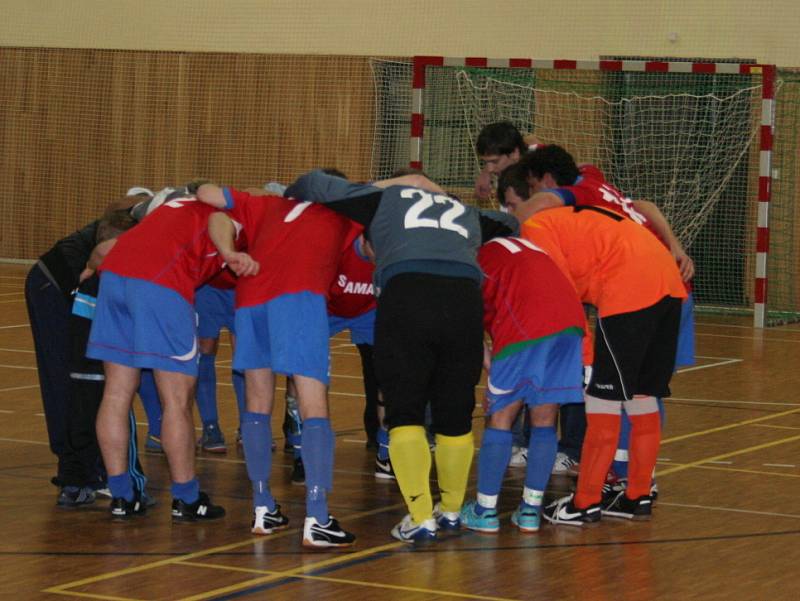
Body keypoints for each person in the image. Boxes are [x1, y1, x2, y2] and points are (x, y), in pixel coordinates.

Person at [283, 169, 518, 543]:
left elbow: (313, 183)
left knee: (404, 409)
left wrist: (287, 193)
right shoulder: (466, 212)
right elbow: (511, 223)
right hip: (464, 298)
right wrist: (445, 198)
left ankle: (420, 516)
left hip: (408, 290)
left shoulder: (383, 200)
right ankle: (453, 511)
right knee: (455, 411)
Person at [497, 162, 686, 526]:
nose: (509, 213)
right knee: (643, 396)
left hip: (629, 287)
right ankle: (636, 494)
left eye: (509, 203)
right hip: (667, 282)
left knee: (603, 400)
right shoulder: (575, 217)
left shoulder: (535, 226)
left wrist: (584, 357)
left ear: (528, 197)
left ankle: (585, 501)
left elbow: (563, 291)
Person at [196, 182, 358, 548]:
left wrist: (229, 252)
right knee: (313, 401)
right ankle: (317, 516)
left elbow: (210, 199)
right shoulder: (344, 212)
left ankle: (262, 507)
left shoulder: (269, 204)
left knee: (257, 402)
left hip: (251, 295)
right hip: (299, 296)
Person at [88, 185, 226, 522]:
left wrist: (91, 266)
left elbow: (115, 227)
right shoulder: (236, 216)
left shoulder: (166, 205)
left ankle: (122, 496)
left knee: (116, 392)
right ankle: (187, 498)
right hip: (160, 283)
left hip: (116, 273)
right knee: (177, 400)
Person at [460, 235, 585, 533]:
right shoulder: (519, 246)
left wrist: (490, 363)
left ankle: (485, 510)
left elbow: (465, 319)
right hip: (571, 321)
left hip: (526, 325)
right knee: (545, 417)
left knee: (501, 416)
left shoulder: (470, 260)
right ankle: (530, 509)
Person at [59, 209, 152, 508]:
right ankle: (130, 484)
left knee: (80, 423)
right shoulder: (116, 283)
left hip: (80, 365)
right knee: (119, 414)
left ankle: (74, 484)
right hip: (105, 363)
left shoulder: (87, 282)